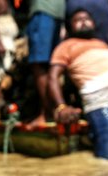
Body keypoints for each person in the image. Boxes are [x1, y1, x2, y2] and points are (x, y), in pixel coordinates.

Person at [48, 9, 108, 159]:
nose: (84, 21)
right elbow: (53, 77)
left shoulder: (101, 43)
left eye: (87, 18)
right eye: (78, 20)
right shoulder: (65, 46)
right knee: (107, 164)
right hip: (103, 108)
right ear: (70, 27)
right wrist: (61, 106)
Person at [26, 0, 66, 128]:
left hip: (43, 10)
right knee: (51, 65)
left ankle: (47, 114)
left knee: (39, 64)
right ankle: (52, 110)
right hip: (59, 12)